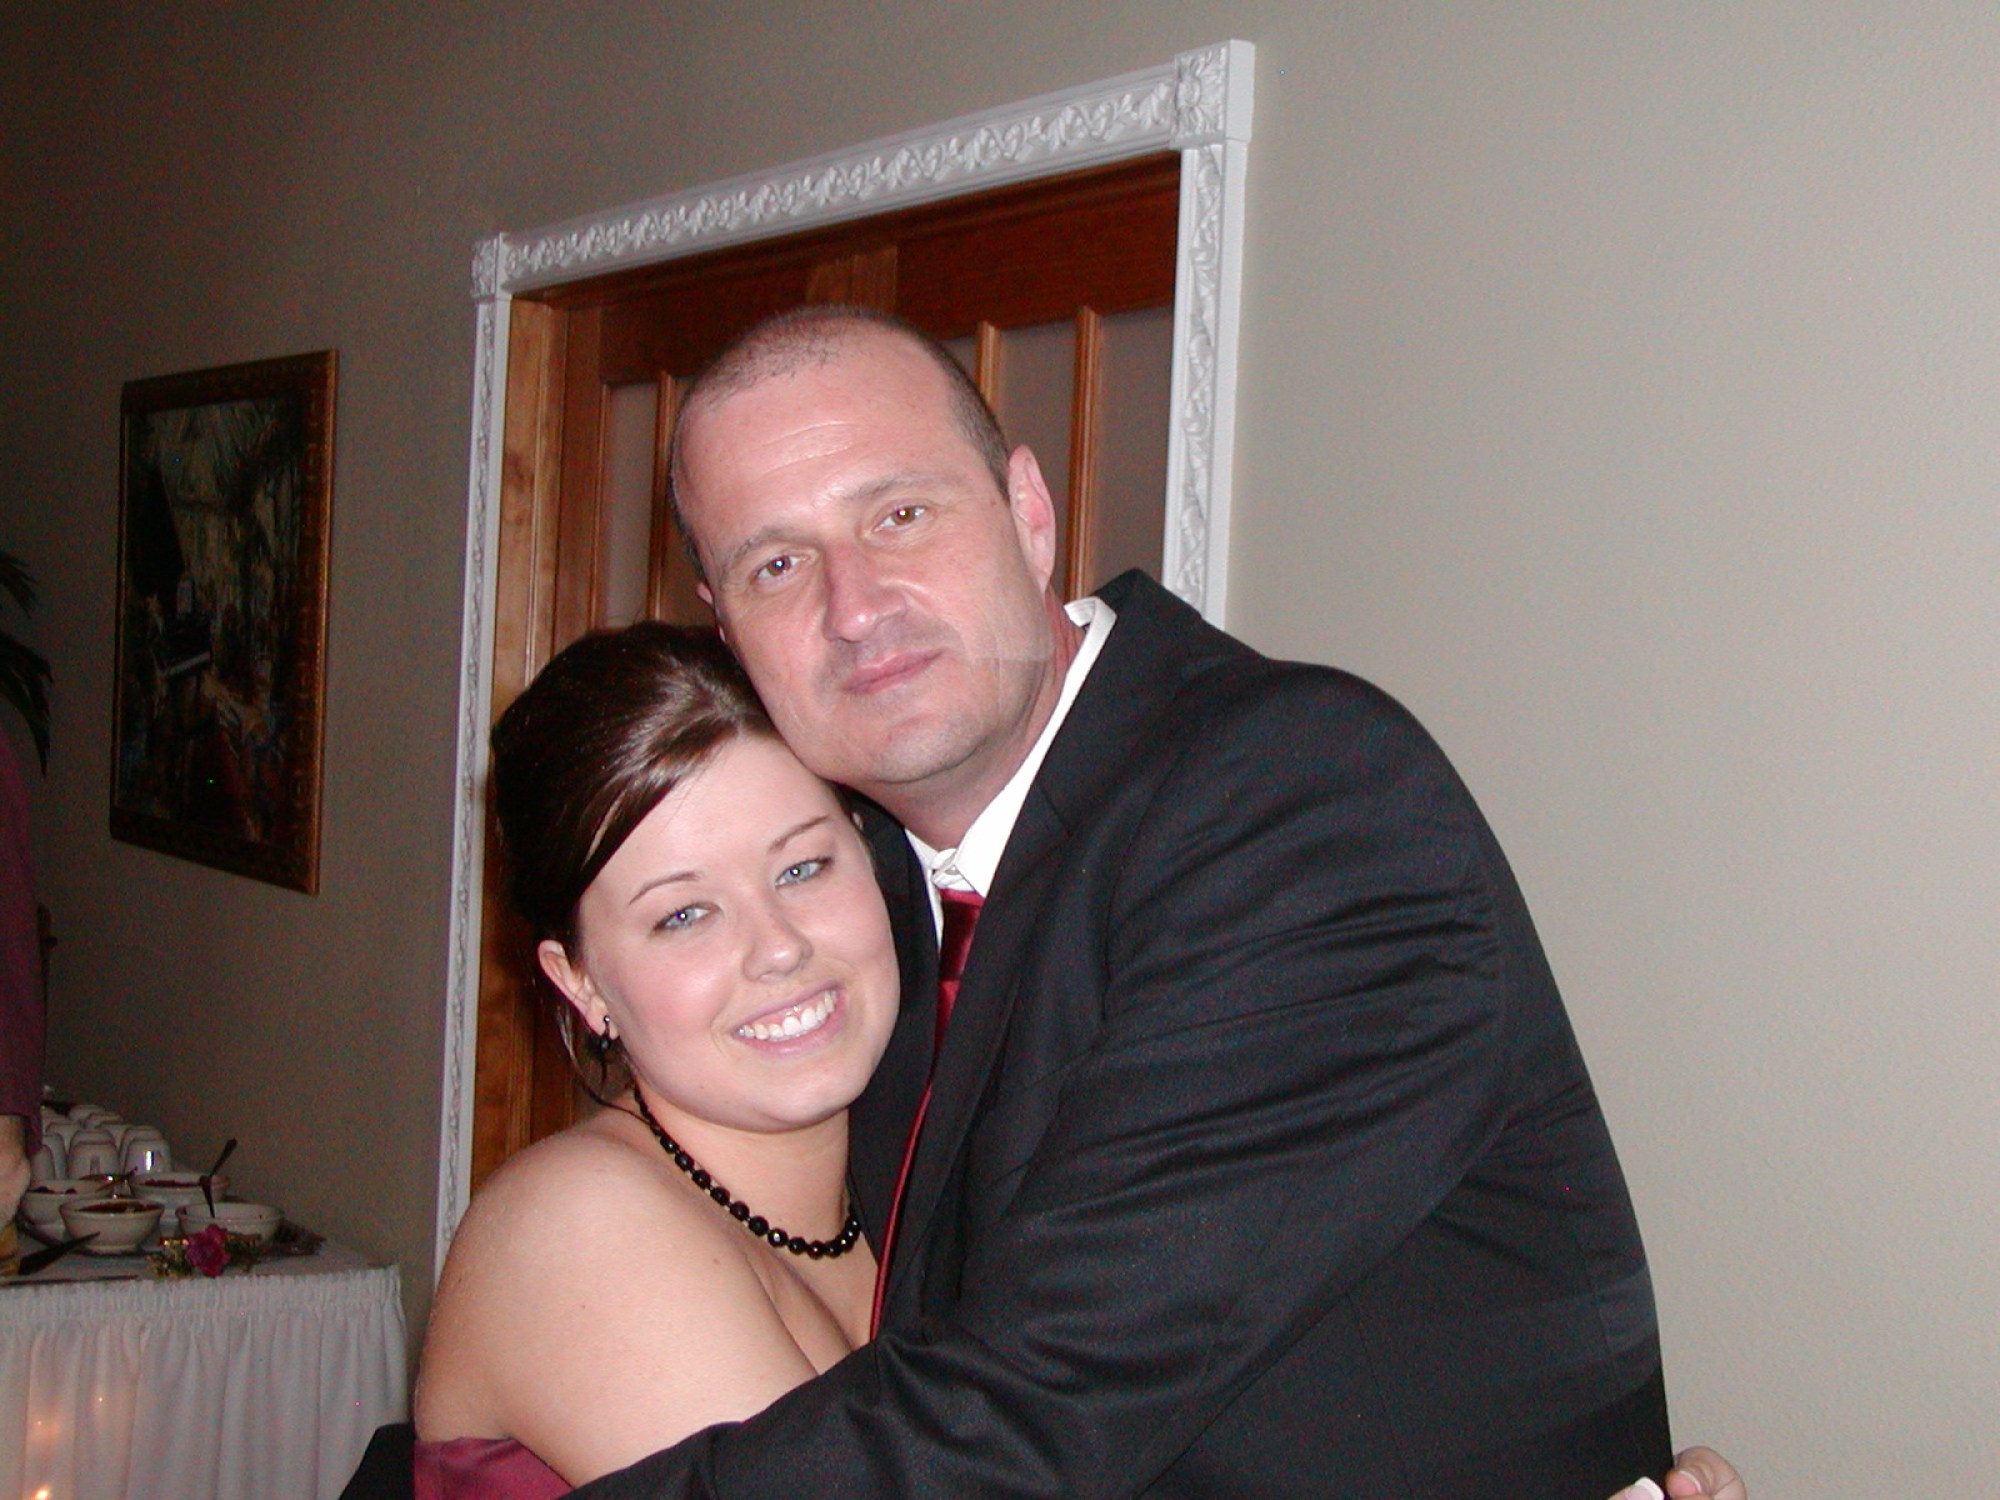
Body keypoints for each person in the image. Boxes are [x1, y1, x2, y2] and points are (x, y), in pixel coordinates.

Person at [552, 306, 1739, 1498]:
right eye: (775, 564)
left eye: (898, 514)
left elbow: (1039, 1398)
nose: (853, 607)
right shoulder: (850, 896)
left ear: (1028, 513)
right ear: (726, 627)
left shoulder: (1292, 802)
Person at [414, 625, 898, 1493]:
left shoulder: (921, 1169)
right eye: (683, 916)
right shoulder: (576, 1228)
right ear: (580, 982)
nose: (779, 948)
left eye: (802, 868)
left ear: (868, 850)